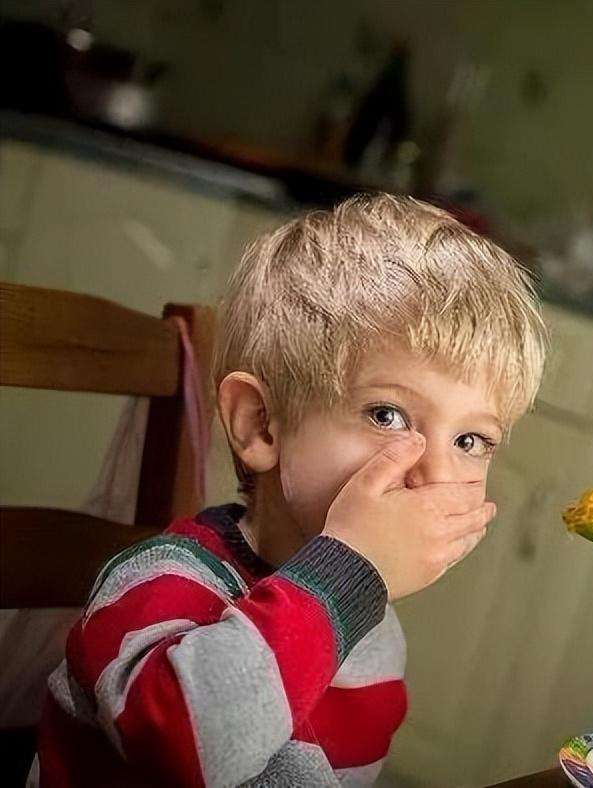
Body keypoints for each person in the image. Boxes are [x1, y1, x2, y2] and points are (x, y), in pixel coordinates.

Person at [34, 194, 548, 786]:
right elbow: (182, 749)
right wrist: (350, 572)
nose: (433, 472)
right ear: (260, 423)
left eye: (470, 441)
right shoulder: (163, 585)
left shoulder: (372, 628)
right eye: (387, 415)